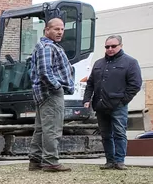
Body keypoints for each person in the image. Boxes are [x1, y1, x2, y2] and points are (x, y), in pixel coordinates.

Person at [83, 35, 142, 170]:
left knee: (119, 133)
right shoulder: (99, 64)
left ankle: (119, 161)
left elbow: (135, 85)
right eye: (107, 47)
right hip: (100, 106)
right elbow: (90, 84)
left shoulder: (130, 62)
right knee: (105, 135)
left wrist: (123, 101)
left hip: (118, 106)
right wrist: (87, 99)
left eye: (113, 46)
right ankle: (110, 161)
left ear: (120, 46)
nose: (110, 49)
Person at [28, 17, 75, 172]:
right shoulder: (47, 47)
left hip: (43, 94)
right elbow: (45, 72)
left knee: (41, 128)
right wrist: (57, 87)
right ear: (46, 30)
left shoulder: (46, 46)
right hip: (50, 93)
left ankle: (35, 160)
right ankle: (50, 161)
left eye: (62, 29)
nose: (60, 32)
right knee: (52, 128)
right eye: (56, 29)